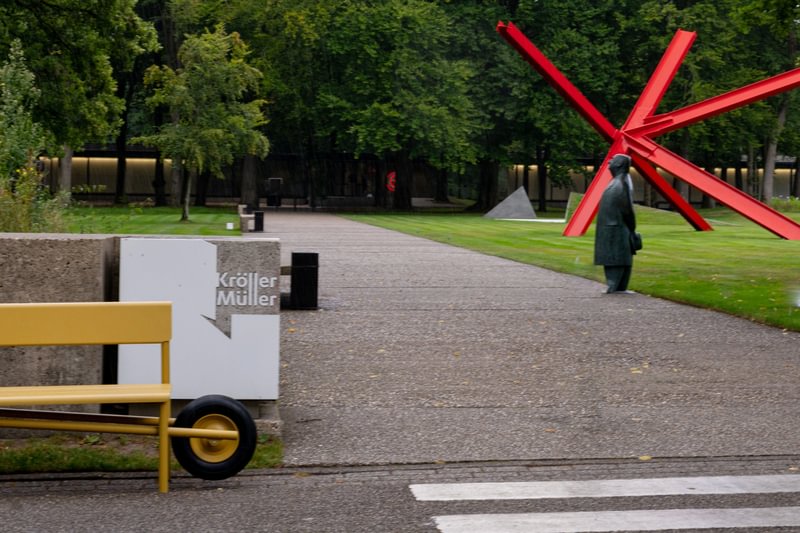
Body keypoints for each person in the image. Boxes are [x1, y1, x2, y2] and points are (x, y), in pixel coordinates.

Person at [594, 153, 637, 293]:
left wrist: (632, 228)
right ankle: (616, 286)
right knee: (617, 258)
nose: (609, 163)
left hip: (616, 229)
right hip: (614, 228)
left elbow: (627, 210)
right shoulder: (619, 182)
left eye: (612, 161)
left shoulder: (621, 183)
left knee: (616, 258)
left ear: (618, 165)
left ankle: (615, 286)